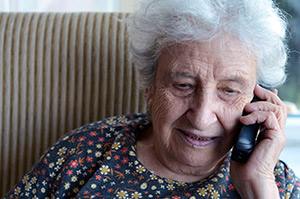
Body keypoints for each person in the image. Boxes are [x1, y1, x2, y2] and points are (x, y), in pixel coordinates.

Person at [4, 0, 300, 198]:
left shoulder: (274, 183)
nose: (201, 116)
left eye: (229, 91)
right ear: (149, 86)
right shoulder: (81, 157)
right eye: (183, 85)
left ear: (257, 99)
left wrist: (258, 187)